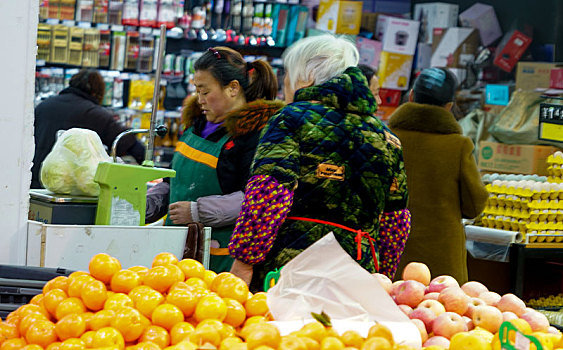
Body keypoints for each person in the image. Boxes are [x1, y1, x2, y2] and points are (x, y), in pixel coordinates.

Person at [227, 35, 411, 290]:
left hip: (292, 269)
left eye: (288, 75)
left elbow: (269, 192)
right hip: (359, 274)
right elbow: (395, 221)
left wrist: (244, 260)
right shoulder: (387, 138)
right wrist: (383, 276)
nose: (285, 85)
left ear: (307, 76)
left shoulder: (291, 119)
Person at [146, 47, 284, 273]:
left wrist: (197, 211)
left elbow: (256, 199)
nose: (199, 99)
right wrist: (147, 204)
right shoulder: (196, 126)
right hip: (174, 252)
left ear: (232, 88)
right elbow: (174, 181)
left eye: (205, 91)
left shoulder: (253, 136)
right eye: (196, 91)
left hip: (218, 259)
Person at [388, 67, 488, 283]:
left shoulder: (388, 138)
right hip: (442, 262)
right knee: (440, 311)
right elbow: (474, 206)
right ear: (449, 106)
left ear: (411, 96)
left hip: (393, 251)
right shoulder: (458, 146)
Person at [32, 69, 145, 189]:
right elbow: (127, 143)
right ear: (98, 92)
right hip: (70, 187)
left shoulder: (43, 106)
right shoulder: (96, 114)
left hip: (37, 179)